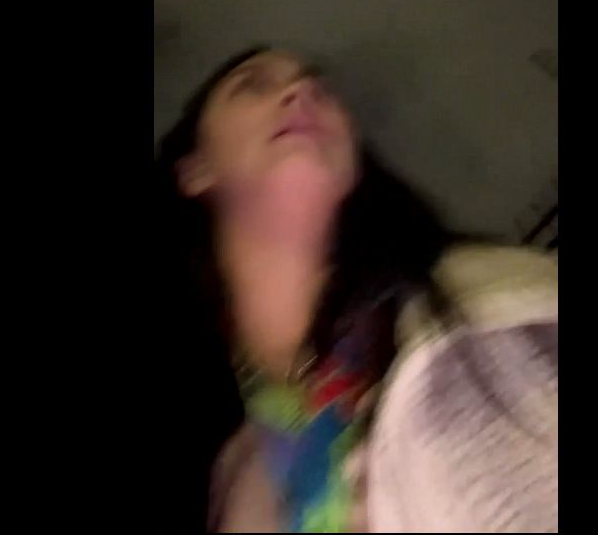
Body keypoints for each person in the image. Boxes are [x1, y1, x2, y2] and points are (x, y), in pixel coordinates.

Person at [153, 46, 558, 532]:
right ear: (194, 169)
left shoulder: (494, 295)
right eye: (253, 85)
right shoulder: (214, 461)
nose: (300, 90)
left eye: (319, 87)